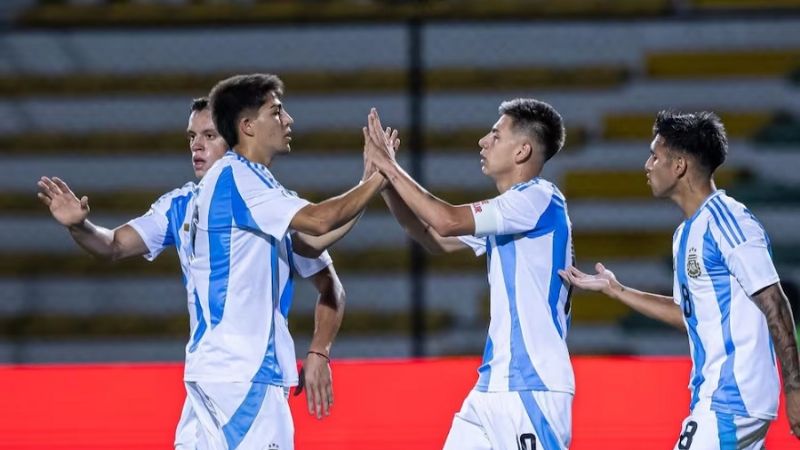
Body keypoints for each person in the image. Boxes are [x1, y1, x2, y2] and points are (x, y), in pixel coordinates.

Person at [36, 97, 348, 449]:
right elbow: (113, 245)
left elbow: (330, 288)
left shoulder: (271, 204)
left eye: (209, 135)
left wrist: (319, 351)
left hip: (253, 381)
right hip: (204, 383)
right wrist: (80, 227)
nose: (196, 145)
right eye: (191, 137)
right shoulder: (179, 204)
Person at [560, 111, 800, 448]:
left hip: (732, 397)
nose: (647, 165)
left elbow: (774, 301)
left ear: (679, 166)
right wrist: (617, 290)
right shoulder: (685, 234)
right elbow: (690, 315)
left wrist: (794, 388)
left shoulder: (727, 221)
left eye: (655, 155)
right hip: (716, 396)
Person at [185, 73, 386, 449]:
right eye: (276, 112)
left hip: (220, 371)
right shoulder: (239, 179)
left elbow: (312, 242)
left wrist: (368, 179)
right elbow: (320, 219)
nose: (288, 120)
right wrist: (383, 175)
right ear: (247, 126)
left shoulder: (253, 186)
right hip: (243, 373)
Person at [364, 100, 574, 449]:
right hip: (492, 386)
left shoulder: (539, 198)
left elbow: (446, 221)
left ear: (523, 150)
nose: (482, 141)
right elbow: (433, 238)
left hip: (532, 387)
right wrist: (386, 182)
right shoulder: (512, 209)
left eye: (495, 134)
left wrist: (392, 167)